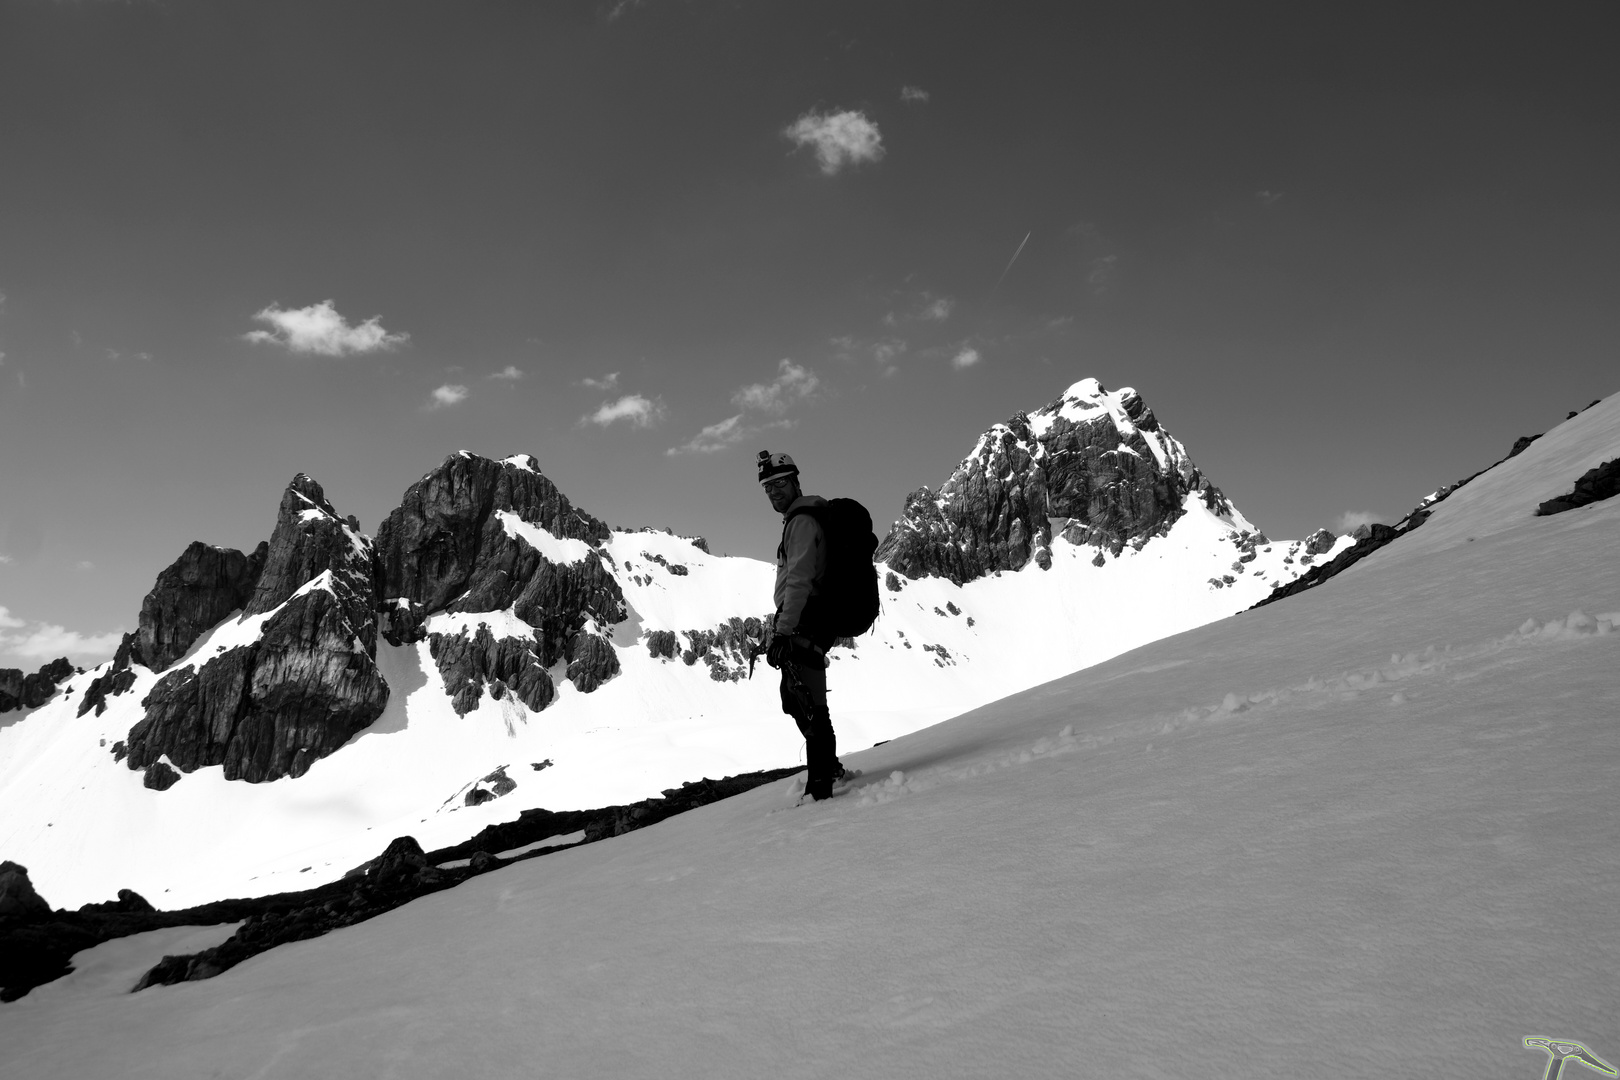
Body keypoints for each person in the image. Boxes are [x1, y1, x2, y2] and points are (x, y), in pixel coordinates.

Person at [758, 451, 846, 801]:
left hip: (804, 621)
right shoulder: (800, 519)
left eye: (780, 483)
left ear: (796, 481)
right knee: (796, 700)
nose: (774, 492)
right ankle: (829, 771)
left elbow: (798, 580)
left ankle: (821, 786)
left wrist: (783, 630)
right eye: (767, 487)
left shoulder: (803, 522)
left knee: (809, 703)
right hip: (804, 620)